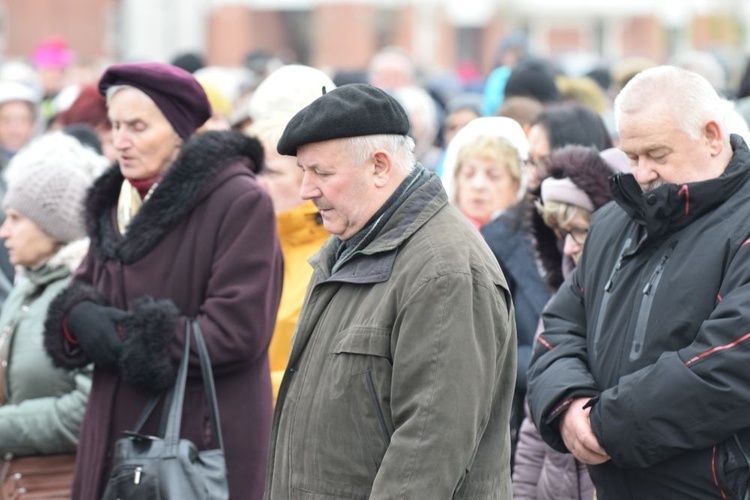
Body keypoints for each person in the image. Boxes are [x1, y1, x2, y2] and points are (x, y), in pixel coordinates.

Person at [42, 62, 283, 499]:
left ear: (178, 130)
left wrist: (126, 334)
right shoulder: (117, 197)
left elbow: (237, 330)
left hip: (194, 445)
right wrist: (78, 317)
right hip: (112, 439)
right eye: (114, 125)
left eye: (137, 126)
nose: (120, 141)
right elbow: (78, 291)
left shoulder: (239, 200)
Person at [264, 83, 517, 498]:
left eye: (321, 172)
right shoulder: (349, 245)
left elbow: (428, 450)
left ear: (380, 166)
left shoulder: (445, 271)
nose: (307, 190)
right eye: (303, 172)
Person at [527, 65, 750, 499]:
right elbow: (559, 330)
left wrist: (603, 425)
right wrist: (568, 405)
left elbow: (730, 363)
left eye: (657, 154)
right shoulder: (613, 222)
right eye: (632, 156)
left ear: (711, 136)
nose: (642, 172)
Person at [0, 132, 104, 498]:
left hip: (62, 486)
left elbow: (87, 413)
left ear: (53, 228)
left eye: (15, 219)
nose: (4, 232)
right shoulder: (27, 289)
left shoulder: (86, 294)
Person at [512, 145, 619, 500]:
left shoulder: (635, 305)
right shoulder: (561, 305)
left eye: (582, 231)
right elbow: (533, 428)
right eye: (563, 234)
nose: (570, 248)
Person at [243, 64, 335, 403]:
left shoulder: (337, 251)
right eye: (252, 170)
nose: (255, 182)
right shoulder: (242, 241)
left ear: (308, 175)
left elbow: (324, 372)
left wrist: (235, 396)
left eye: (269, 171)